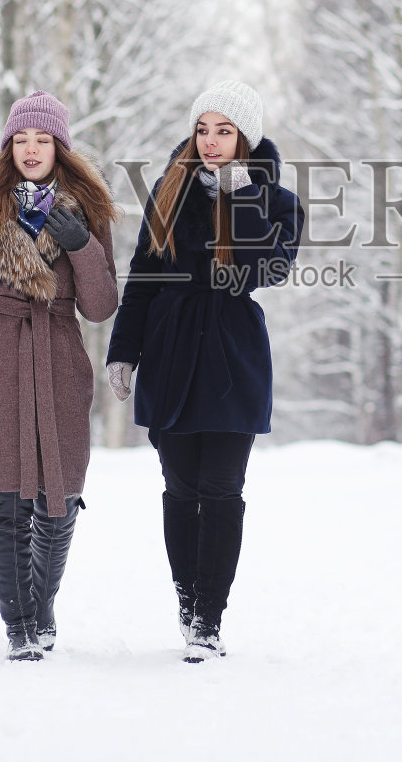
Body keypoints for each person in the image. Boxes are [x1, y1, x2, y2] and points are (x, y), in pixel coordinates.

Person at [106, 80, 304, 662]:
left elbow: (266, 269)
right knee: (180, 489)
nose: (211, 141)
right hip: (169, 352)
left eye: (224, 130)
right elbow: (143, 277)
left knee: (222, 489)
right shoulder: (169, 192)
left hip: (233, 355)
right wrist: (123, 351)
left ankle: (208, 621)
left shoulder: (278, 201)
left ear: (246, 137)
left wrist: (240, 197)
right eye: (202, 129)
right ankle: (188, 602)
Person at [0, 90, 120, 662]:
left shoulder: (88, 210)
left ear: (60, 147)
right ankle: (19, 626)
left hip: (59, 361)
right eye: (20, 139)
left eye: (42, 139)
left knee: (61, 500)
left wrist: (81, 246)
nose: (31, 149)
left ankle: (42, 605)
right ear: (7, 146)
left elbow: (101, 307)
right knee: (7, 504)